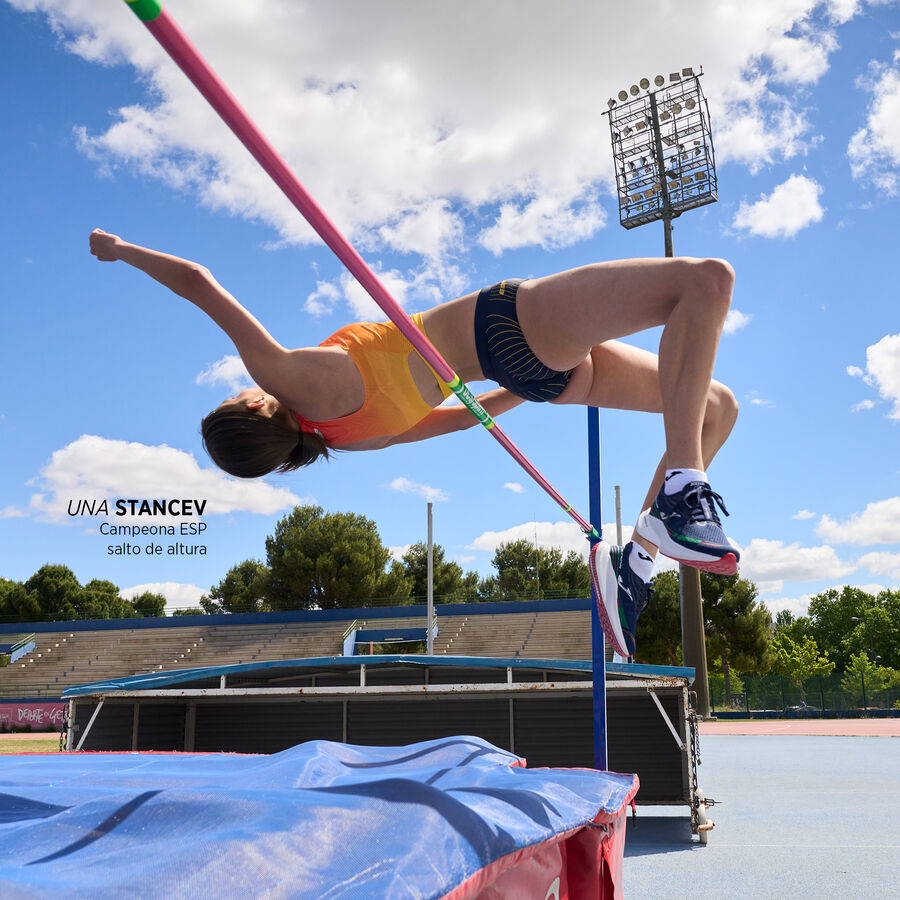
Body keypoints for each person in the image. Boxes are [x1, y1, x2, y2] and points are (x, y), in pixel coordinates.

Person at [89, 228, 740, 657]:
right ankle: (683, 487)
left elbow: (463, 419)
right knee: (703, 280)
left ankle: (639, 563)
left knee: (717, 406)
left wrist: (545, 377)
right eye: (236, 398)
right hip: (507, 325)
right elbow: (200, 282)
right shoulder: (286, 380)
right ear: (252, 407)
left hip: (531, 370)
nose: (242, 390)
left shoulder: (351, 439)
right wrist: (121, 250)